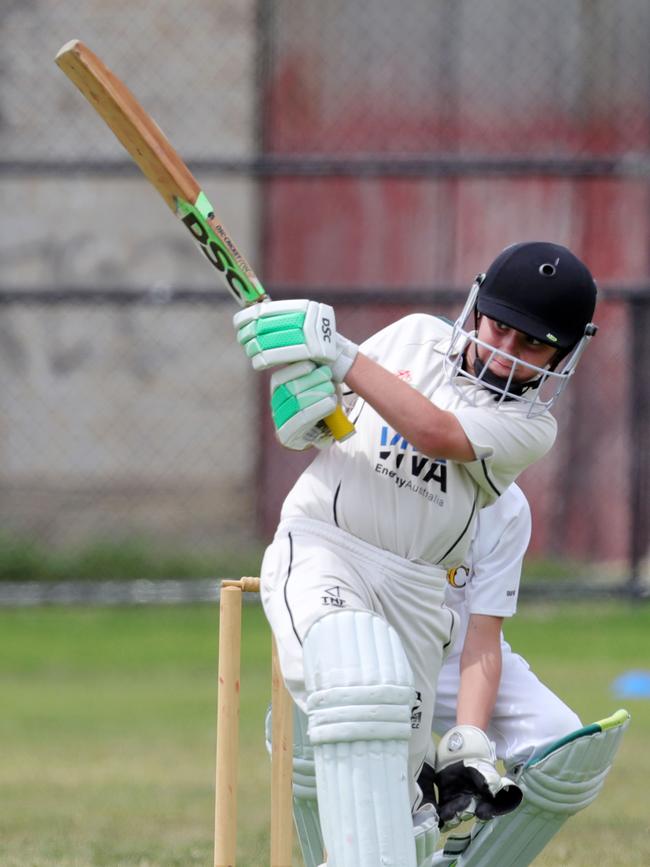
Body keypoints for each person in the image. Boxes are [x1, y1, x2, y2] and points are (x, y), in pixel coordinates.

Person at [234, 241, 598, 867]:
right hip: (326, 544)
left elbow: (437, 433)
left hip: (415, 591)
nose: (504, 354)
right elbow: (338, 418)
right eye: (499, 329)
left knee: (402, 816)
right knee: (357, 677)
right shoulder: (411, 339)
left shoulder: (531, 428)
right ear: (476, 307)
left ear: (561, 357)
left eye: (530, 347)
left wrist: (337, 352)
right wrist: (306, 405)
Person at [283, 483, 629, 867]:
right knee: (327, 749)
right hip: (372, 648)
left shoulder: (507, 506)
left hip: (455, 651)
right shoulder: (380, 474)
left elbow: (483, 637)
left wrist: (468, 747)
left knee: (565, 748)